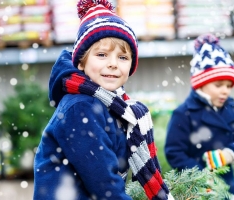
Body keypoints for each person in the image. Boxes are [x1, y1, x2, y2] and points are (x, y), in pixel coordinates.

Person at [33, 0, 173, 199]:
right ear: (81, 62)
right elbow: (104, 184)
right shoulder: (81, 108)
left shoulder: (113, 106)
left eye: (123, 58)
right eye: (102, 55)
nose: (113, 64)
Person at [164, 33, 234, 200]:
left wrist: (228, 154)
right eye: (218, 85)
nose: (225, 91)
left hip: (229, 186)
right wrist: (201, 176)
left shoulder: (230, 109)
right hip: (195, 190)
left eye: (229, 85)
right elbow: (174, 152)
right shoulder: (184, 113)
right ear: (201, 84)